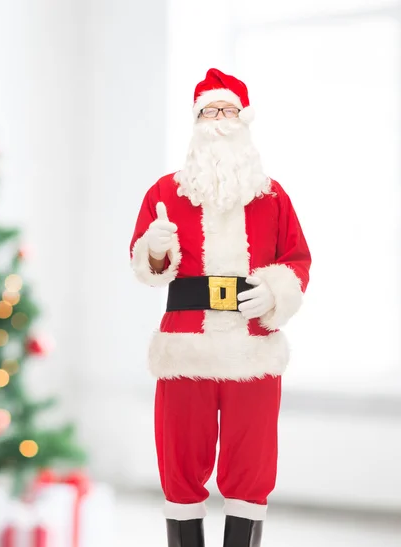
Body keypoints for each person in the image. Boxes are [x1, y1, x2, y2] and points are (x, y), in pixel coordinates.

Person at [129, 68, 311, 547]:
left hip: (253, 345)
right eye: (210, 111)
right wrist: (153, 246)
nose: (220, 120)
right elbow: (148, 266)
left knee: (251, 465)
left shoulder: (273, 197)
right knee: (179, 460)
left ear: (245, 122)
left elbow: (297, 260)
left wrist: (274, 291)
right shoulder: (165, 193)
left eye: (229, 111)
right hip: (185, 345)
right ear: (195, 122)